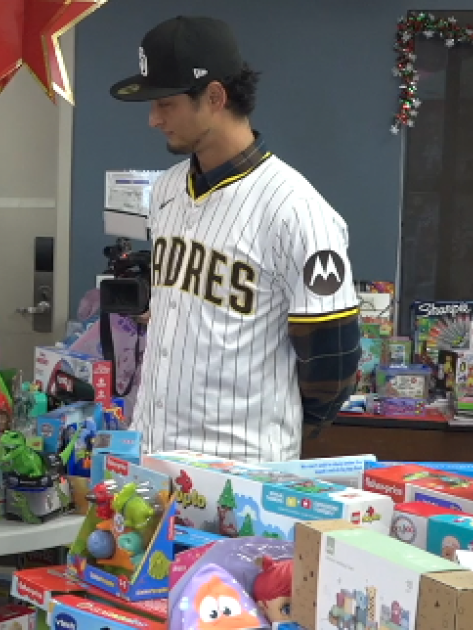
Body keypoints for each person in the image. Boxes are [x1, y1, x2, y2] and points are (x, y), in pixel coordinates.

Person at [109, 16, 361, 463]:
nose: (152, 119)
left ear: (215, 96)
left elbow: (333, 362)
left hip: (240, 466)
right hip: (152, 451)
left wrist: (273, 430)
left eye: (165, 103)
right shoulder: (167, 189)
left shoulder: (297, 209)